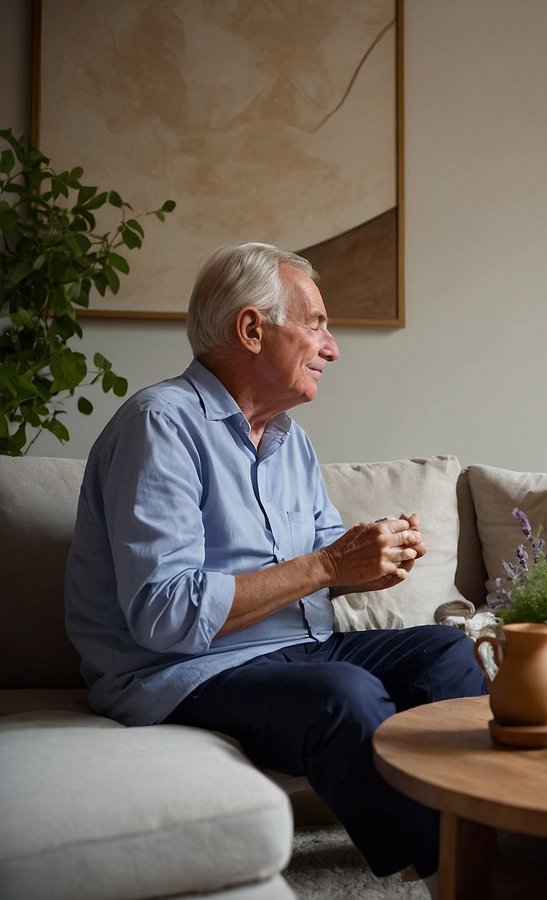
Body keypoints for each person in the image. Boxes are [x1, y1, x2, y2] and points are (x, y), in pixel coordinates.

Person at [64, 242, 485, 894]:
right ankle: (457, 878)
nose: (332, 347)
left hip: (297, 648)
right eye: (315, 323)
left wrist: (370, 564)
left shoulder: (290, 438)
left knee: (446, 655)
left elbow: (323, 561)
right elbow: (164, 615)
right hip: (181, 673)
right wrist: (326, 565)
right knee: (343, 697)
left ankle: (488, 841)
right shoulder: (161, 426)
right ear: (252, 329)